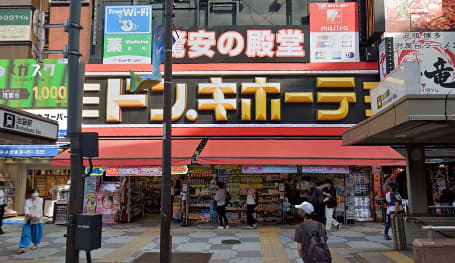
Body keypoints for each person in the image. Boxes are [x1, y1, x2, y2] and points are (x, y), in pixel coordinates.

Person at [18, 189, 43, 253]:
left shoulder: (40, 200)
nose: (35, 194)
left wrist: (34, 216)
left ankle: (35, 244)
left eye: (37, 192)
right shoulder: (27, 201)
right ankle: (23, 246)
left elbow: (38, 209)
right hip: (28, 218)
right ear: (30, 194)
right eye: (34, 193)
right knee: (25, 232)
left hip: (37, 219)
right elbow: (26, 208)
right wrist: (28, 214)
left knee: (36, 232)